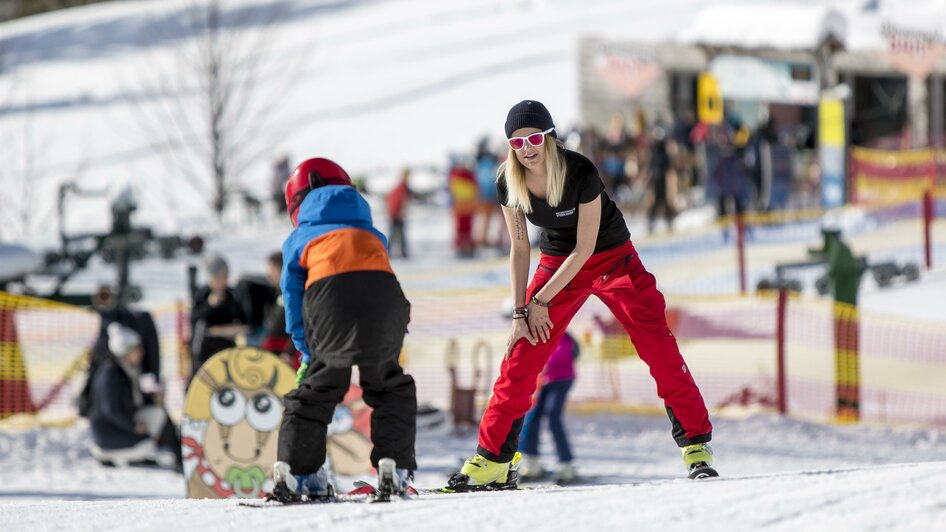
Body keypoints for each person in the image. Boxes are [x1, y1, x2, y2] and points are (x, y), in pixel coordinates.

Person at [446, 100, 715, 491]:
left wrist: (540, 301)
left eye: (535, 138)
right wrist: (522, 312)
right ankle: (493, 460)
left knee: (659, 349)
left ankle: (696, 446)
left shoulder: (579, 171)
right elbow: (520, 249)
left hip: (613, 259)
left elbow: (586, 248)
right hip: (557, 264)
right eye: (517, 143)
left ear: (550, 137)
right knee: (521, 353)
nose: (527, 148)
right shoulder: (509, 180)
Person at [271, 157, 416, 502]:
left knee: (319, 387)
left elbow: (292, 298)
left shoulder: (300, 237)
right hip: (385, 301)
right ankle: (393, 464)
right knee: (388, 385)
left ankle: (299, 471)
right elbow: (380, 283)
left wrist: (307, 348)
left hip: (329, 299)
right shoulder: (371, 232)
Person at [87, 322, 182, 471]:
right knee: (147, 441)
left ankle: (176, 453)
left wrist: (151, 398)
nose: (141, 352)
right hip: (107, 435)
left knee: (156, 413)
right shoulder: (111, 374)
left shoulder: (123, 370)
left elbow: (128, 401)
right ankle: (114, 454)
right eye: (137, 349)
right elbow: (110, 409)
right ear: (126, 351)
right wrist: (133, 426)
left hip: (114, 430)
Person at [518, 330, 579, 484]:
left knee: (553, 418)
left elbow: (562, 353)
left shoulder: (563, 334)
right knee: (532, 418)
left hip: (561, 380)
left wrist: (542, 363)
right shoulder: (537, 330)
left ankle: (566, 464)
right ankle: (533, 462)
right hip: (543, 380)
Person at [189, 255, 248, 378]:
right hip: (204, 349)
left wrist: (235, 329)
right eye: (221, 275)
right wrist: (209, 305)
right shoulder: (203, 293)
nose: (225, 279)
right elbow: (194, 318)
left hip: (227, 348)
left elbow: (243, 319)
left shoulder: (232, 294)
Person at [259, 251, 297, 367]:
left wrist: (289, 353)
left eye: (272, 270)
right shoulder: (279, 293)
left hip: (286, 356)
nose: (268, 274)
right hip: (273, 352)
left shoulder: (292, 294)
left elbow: (298, 325)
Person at [386, 167, 412, 259]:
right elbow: (400, 200)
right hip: (396, 214)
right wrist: (399, 212)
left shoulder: (401, 186)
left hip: (395, 213)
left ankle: (400, 252)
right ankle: (400, 252)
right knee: (396, 234)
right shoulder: (402, 187)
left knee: (397, 233)